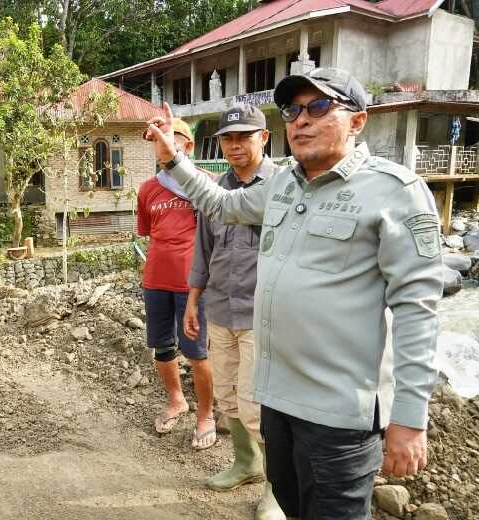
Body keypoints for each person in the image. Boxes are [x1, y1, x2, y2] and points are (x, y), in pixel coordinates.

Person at [146, 68, 443, 519]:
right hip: (277, 400)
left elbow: (417, 311)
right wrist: (172, 159)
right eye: (292, 110)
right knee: (290, 503)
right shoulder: (283, 184)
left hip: (339, 416)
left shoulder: (395, 192)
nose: (301, 120)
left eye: (318, 107)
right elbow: (221, 204)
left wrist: (409, 417)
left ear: (357, 120)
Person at [182, 105, 283, 517]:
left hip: (263, 315)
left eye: (245, 136)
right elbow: (203, 250)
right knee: (226, 395)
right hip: (220, 308)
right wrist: (193, 300)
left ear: (264, 138)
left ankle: (278, 489)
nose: (235, 144)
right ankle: (246, 463)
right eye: (228, 137)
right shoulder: (216, 191)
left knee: (259, 405)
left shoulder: (282, 188)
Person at [137, 118, 215, 450]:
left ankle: (206, 415)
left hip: (192, 284)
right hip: (155, 280)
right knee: (162, 347)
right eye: (155, 140)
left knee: (197, 352)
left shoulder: (205, 183)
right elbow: (148, 232)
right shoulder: (148, 189)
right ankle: (176, 400)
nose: (162, 145)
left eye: (170, 138)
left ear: (189, 145)